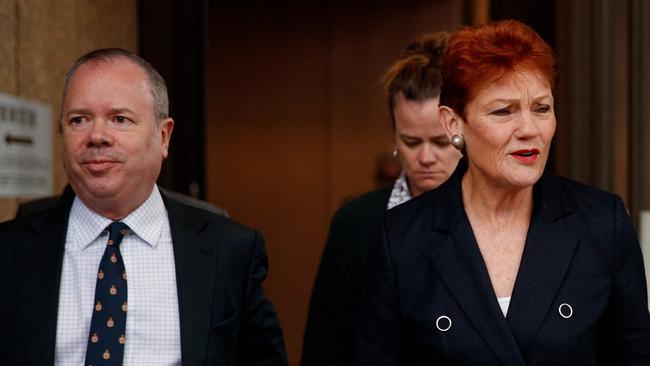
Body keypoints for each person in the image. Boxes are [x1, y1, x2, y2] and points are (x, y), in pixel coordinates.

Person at [357, 20, 650, 365]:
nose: (529, 129)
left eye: (542, 108)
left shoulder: (602, 223)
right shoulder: (401, 239)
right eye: (503, 111)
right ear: (454, 124)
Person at [0, 48, 287, 365]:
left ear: (163, 137)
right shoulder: (10, 251)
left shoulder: (229, 251)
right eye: (79, 119)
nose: (97, 136)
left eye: (119, 119)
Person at [301, 32, 461, 366]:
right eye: (411, 142)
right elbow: (326, 347)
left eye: (441, 142)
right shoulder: (356, 224)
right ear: (394, 136)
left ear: (463, 132)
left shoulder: (497, 216)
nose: (426, 157)